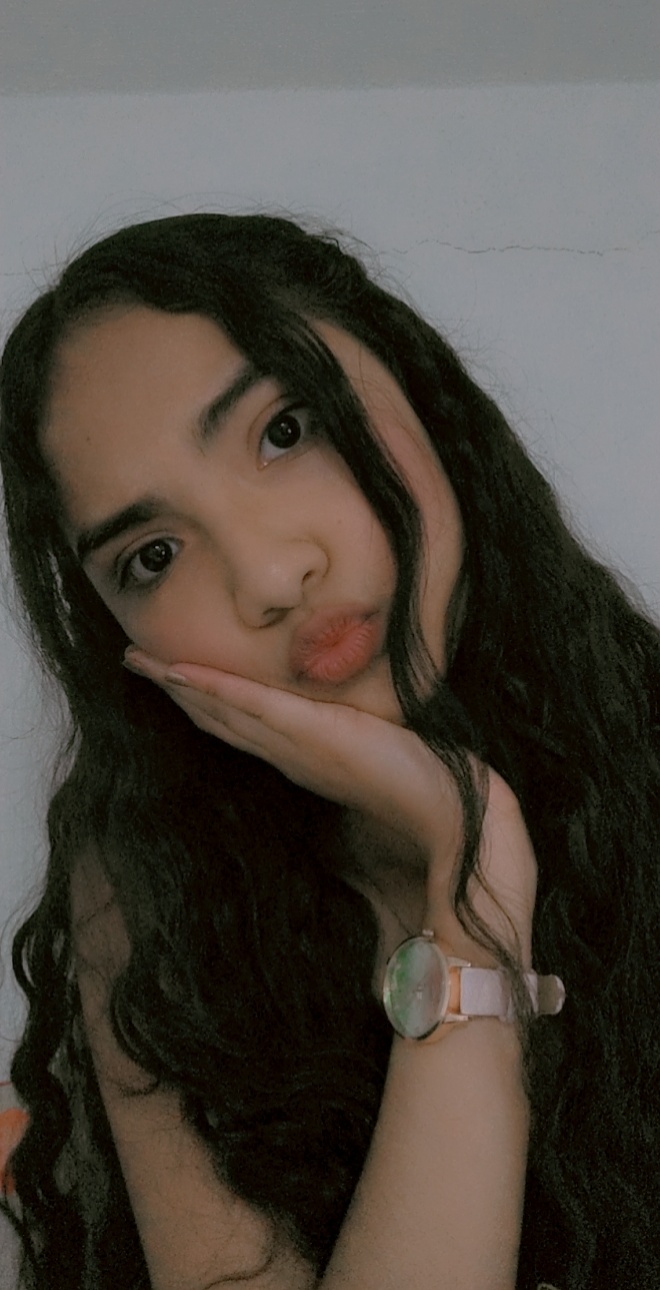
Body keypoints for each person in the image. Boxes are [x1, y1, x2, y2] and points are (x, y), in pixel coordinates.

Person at [0, 213, 657, 1290]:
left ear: (413, 383)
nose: (269, 577)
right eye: (152, 556)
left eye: (284, 430)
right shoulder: (157, 886)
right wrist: (475, 867)